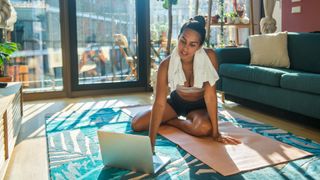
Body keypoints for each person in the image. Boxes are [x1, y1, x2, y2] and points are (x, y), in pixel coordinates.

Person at [131, 15, 241, 152]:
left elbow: (210, 96)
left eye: (192, 44)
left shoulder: (210, 57)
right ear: (178, 38)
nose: (185, 48)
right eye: (183, 41)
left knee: (204, 128)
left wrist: (216, 133)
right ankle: (171, 118)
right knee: (137, 124)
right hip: (176, 102)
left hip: (199, 107)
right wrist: (151, 143)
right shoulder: (165, 64)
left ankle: (172, 122)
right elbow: (159, 103)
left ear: (200, 46)